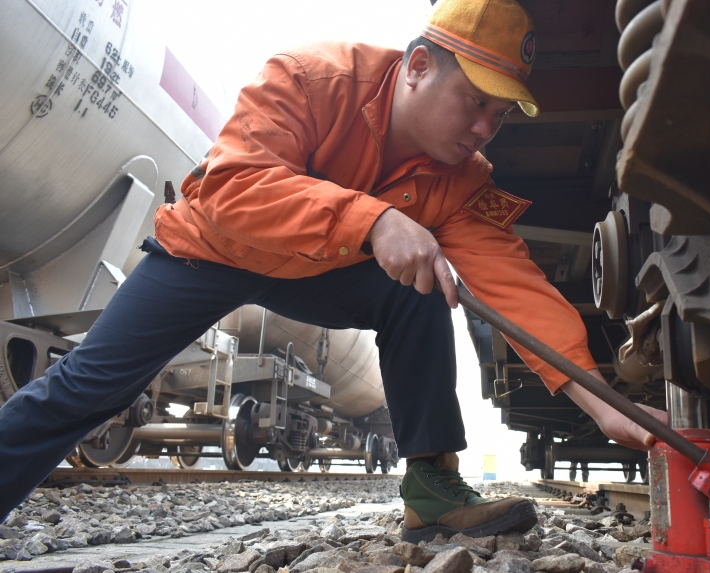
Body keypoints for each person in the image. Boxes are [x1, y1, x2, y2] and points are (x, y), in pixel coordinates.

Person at [0, 0, 665, 540]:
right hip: (213, 249)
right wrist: (374, 221)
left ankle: (432, 489)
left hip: (317, 268)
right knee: (89, 387)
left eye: (501, 113)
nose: (486, 127)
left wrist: (600, 400)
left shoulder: (463, 181)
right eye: (476, 100)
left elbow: (515, 288)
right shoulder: (310, 78)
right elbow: (232, 189)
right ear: (418, 67)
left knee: (422, 288)